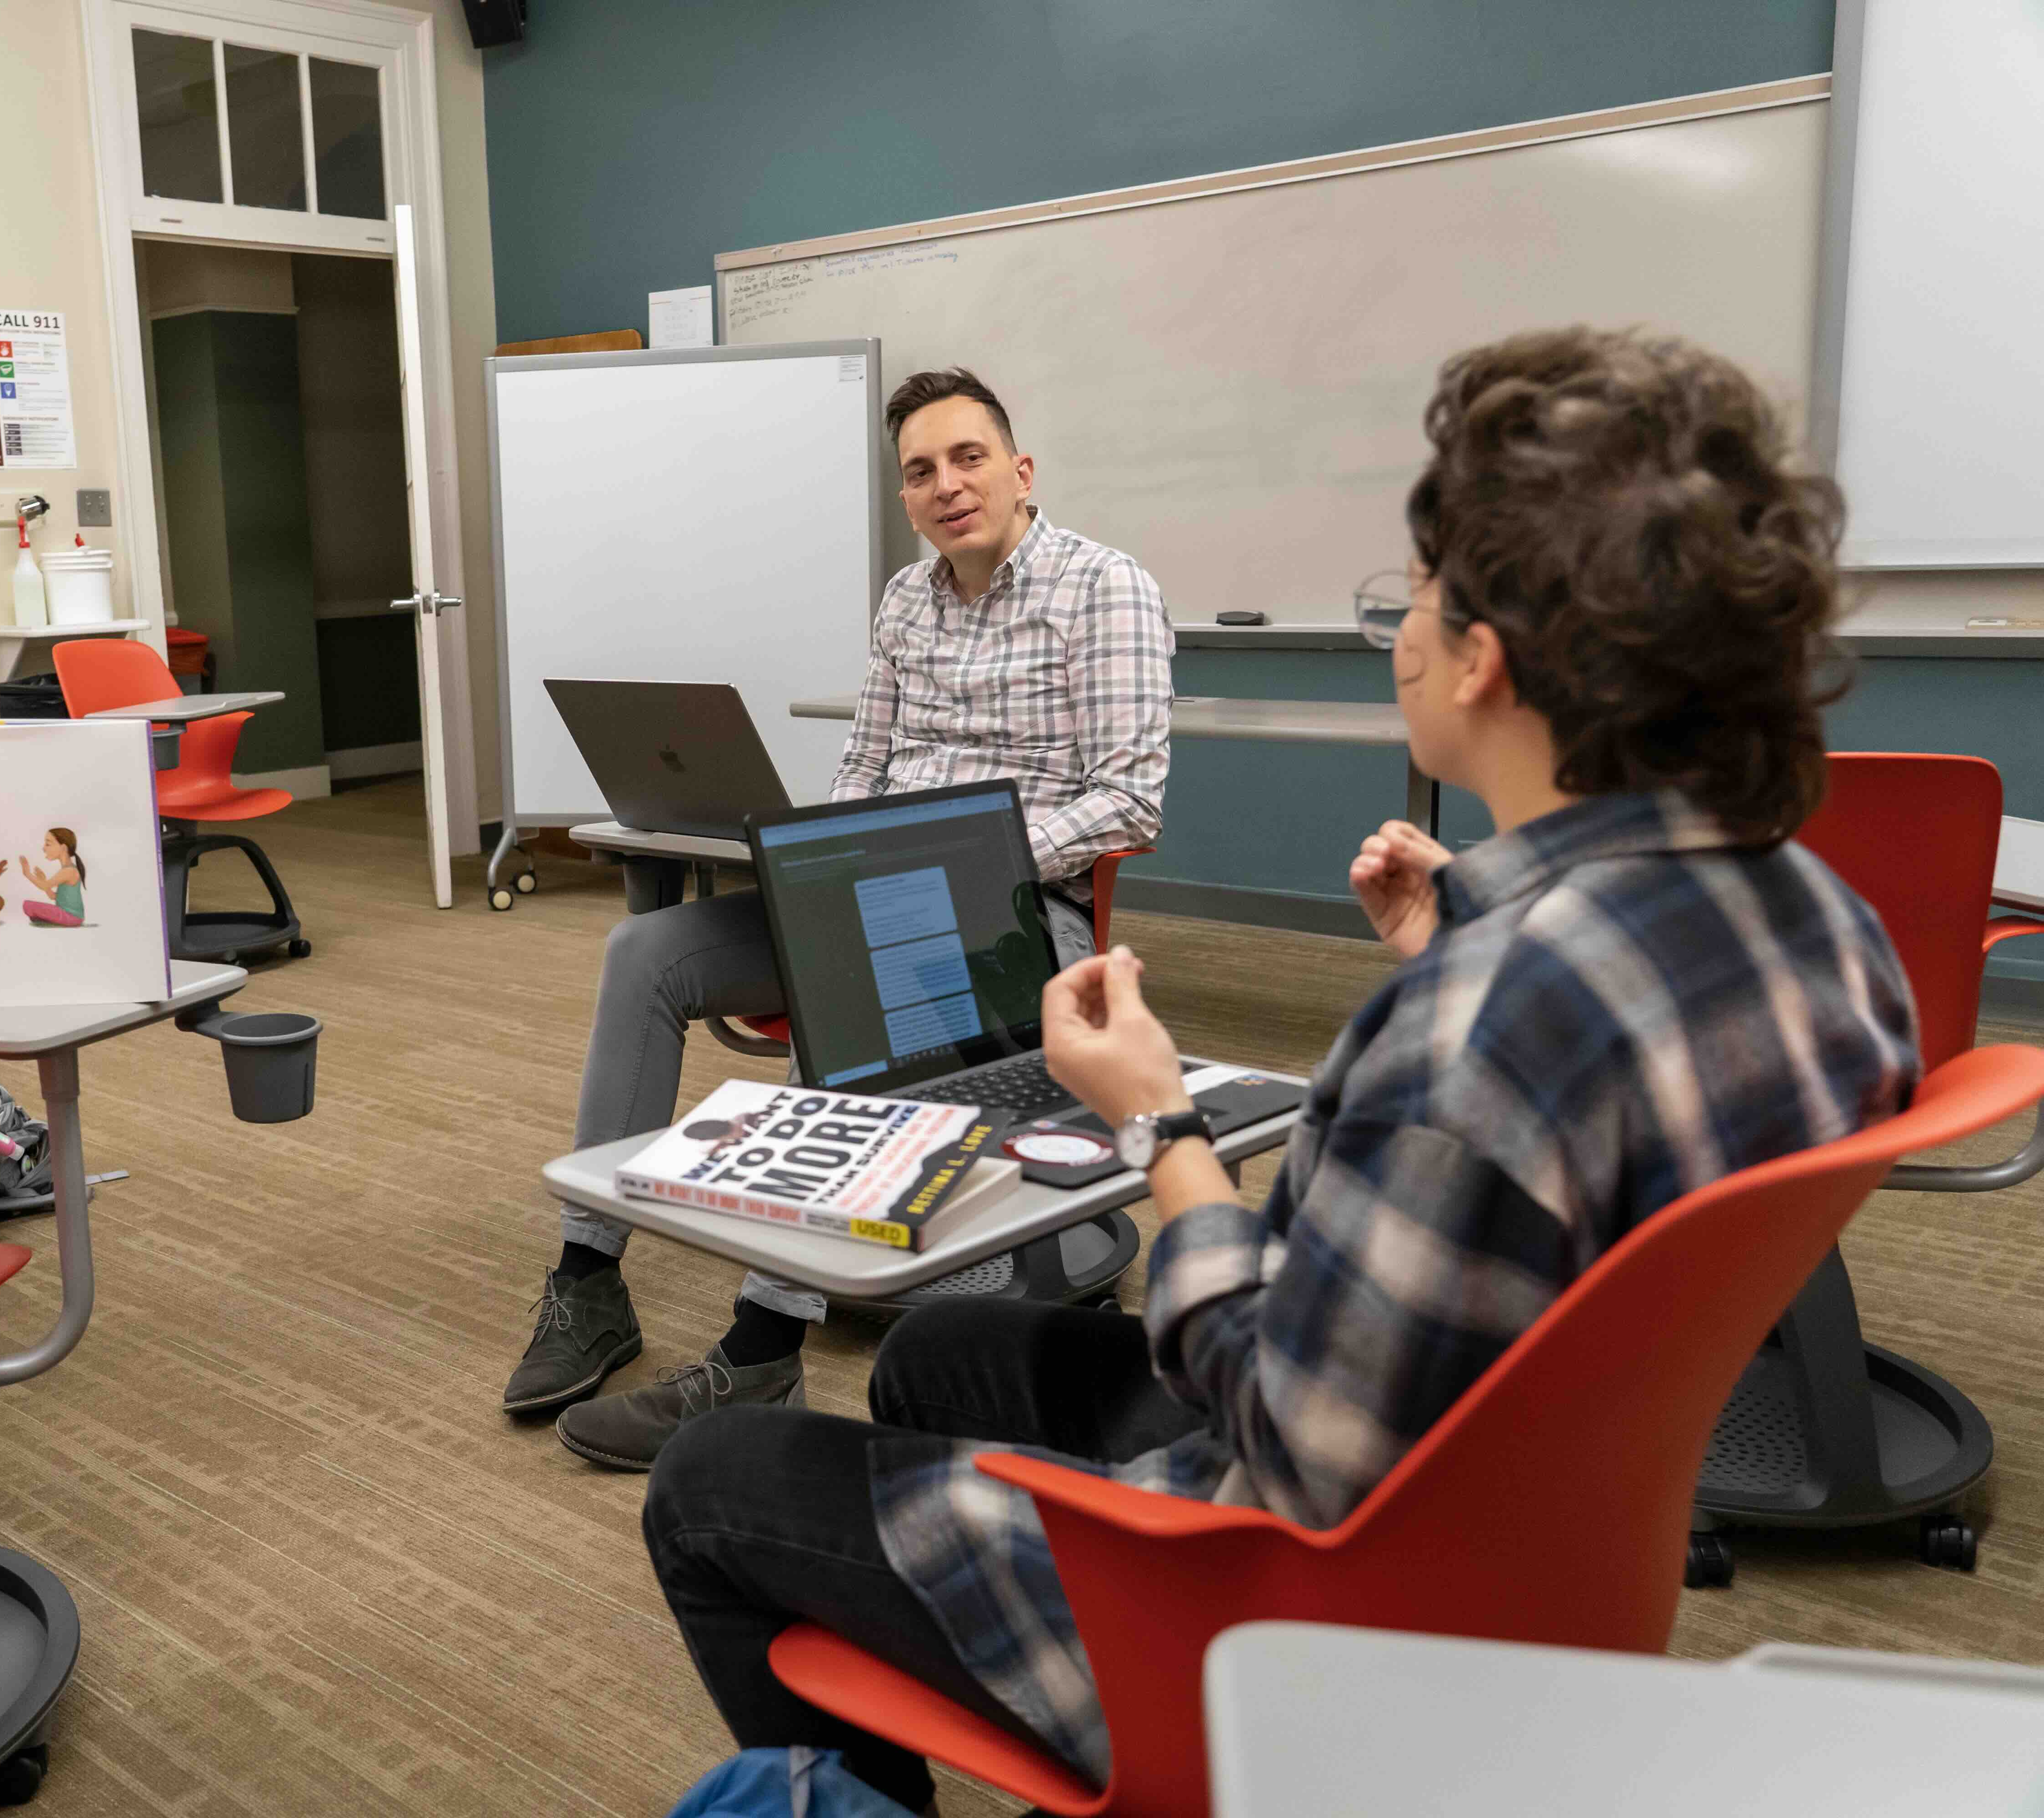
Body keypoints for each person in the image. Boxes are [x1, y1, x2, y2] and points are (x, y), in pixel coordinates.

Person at [638, 327, 1922, 1815]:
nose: (1401, 628)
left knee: (714, 1485)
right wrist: (1470, 940)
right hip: (1539, 1537)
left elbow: (1291, 1442)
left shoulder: (1477, 1031)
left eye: (1416, 596)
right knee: (939, 1356)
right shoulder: (1831, 933)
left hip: (1298, 1614)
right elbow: (1558, 1128)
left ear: (1485, 662)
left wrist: (1163, 1128)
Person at [510, 368, 1175, 1471]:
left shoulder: (1104, 588)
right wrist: (818, 864)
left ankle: (761, 1347)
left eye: (967, 459)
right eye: (920, 471)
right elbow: (866, 764)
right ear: (906, 497)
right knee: (647, 952)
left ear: (1019, 472)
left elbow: (1127, 799)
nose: (946, 485)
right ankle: (588, 1281)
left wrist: (963, 861)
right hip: (881, 890)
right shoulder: (906, 599)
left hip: (1018, 914)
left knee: (863, 988)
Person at [19, 828, 87, 926]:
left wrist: (28, 874)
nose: (44, 849)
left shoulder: (69, 871)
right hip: (72, 917)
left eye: (48, 844)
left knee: (28, 906)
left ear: (63, 848)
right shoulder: (68, 870)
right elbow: (53, 897)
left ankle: (49, 920)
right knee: (31, 906)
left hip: (70, 917)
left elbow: (44, 886)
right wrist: (44, 880)